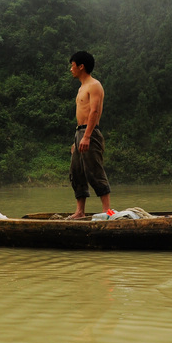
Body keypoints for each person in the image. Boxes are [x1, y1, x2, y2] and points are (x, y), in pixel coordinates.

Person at [67, 51, 112, 219]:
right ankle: (80, 211)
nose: (71, 69)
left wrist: (86, 136)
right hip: (80, 132)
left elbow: (94, 112)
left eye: (72, 65)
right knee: (76, 171)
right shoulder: (81, 87)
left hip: (90, 133)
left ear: (81, 66)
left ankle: (107, 210)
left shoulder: (95, 85)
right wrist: (77, 140)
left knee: (94, 169)